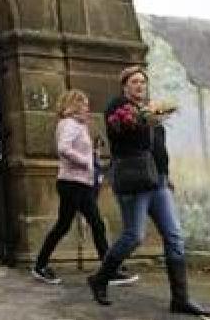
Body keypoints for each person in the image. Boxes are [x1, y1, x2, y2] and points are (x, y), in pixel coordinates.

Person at [88, 66, 210, 317]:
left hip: (157, 182)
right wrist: (148, 117)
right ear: (124, 86)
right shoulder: (118, 108)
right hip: (134, 180)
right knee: (134, 236)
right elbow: (124, 127)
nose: (139, 86)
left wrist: (167, 176)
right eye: (134, 82)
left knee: (174, 235)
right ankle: (100, 278)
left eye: (143, 82)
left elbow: (158, 150)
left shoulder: (152, 112)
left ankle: (180, 299)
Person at [30, 89, 137, 286]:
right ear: (74, 104)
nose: (88, 108)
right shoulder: (70, 124)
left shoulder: (77, 125)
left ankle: (106, 269)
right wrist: (85, 163)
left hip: (79, 183)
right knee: (75, 225)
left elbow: (76, 149)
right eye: (85, 104)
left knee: (90, 225)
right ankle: (41, 266)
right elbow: (63, 148)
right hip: (73, 183)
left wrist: (93, 158)